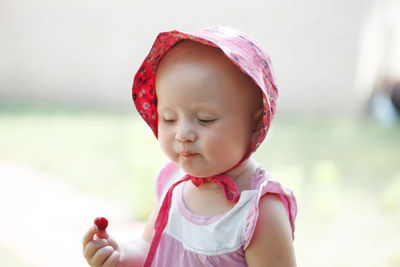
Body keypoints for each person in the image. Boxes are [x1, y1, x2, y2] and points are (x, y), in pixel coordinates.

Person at [82, 25, 297, 267]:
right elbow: (149, 248)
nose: (183, 134)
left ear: (256, 124)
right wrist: (120, 256)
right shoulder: (174, 182)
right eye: (169, 118)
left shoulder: (259, 212)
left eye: (205, 119)